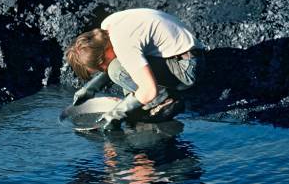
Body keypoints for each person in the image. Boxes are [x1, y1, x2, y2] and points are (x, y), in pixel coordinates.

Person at [65, 8, 204, 129]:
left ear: (104, 53)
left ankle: (166, 100)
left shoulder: (124, 45)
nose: (103, 70)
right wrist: (91, 88)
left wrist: (116, 113)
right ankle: (146, 104)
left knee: (116, 70)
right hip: (182, 54)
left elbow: (149, 90)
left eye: (100, 67)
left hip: (187, 69)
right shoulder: (108, 26)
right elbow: (126, 58)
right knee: (121, 70)